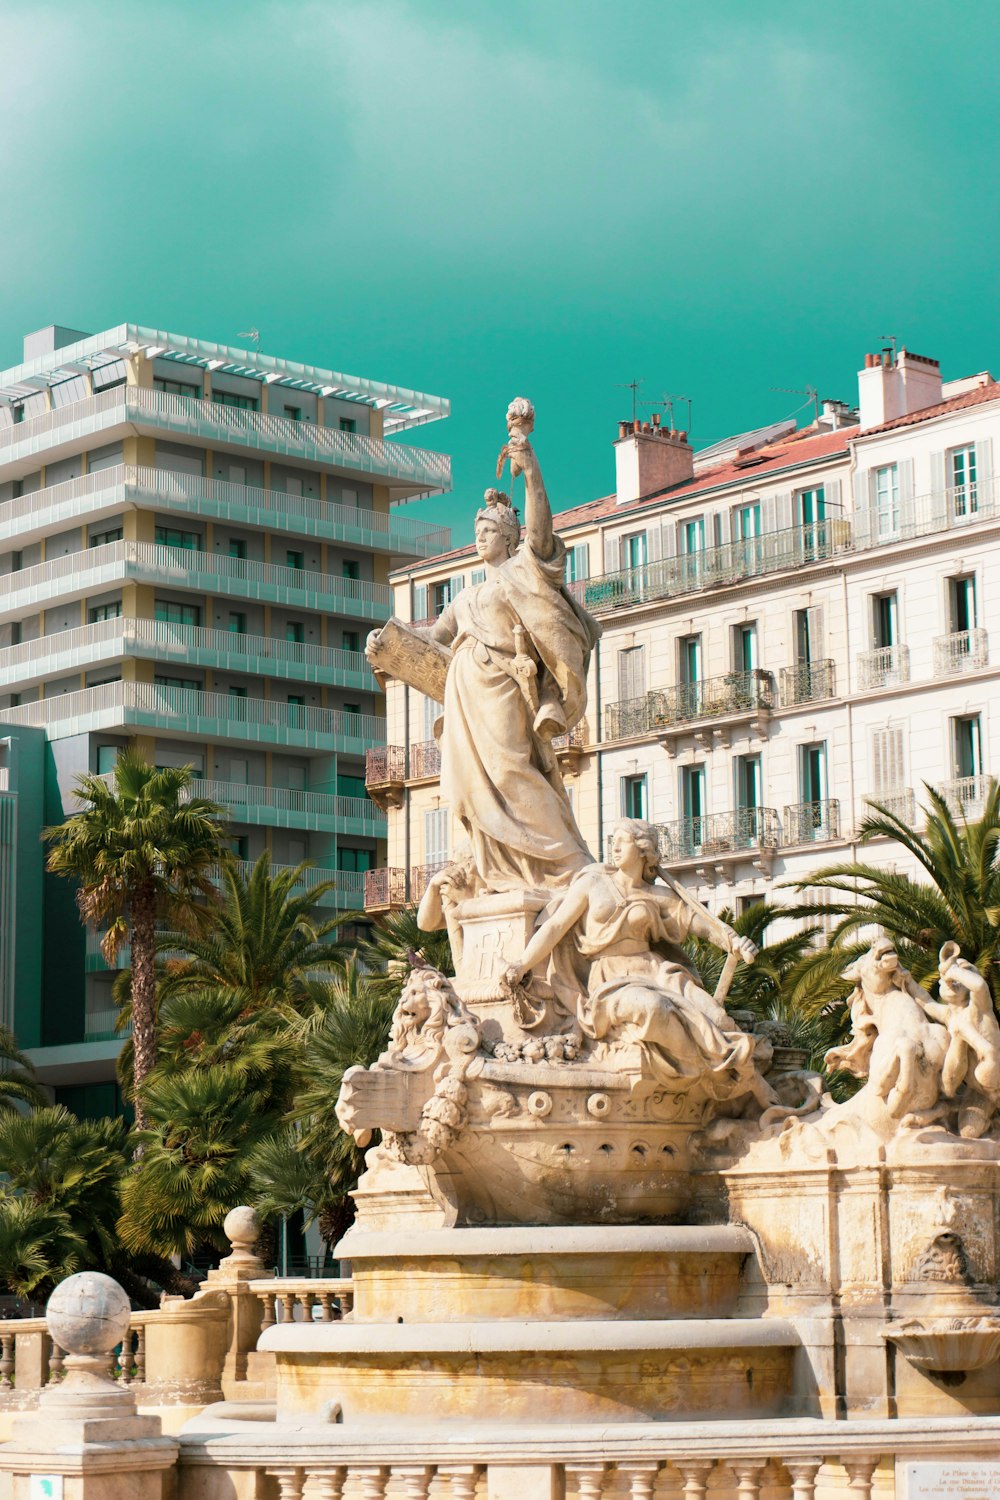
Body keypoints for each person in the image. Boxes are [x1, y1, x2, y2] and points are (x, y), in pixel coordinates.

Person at [370, 399, 600, 894]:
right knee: (472, 789)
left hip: (505, 689)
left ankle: (566, 858)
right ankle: (499, 870)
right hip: (464, 696)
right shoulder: (467, 596)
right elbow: (430, 642)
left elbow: (542, 522)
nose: (480, 537)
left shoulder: (527, 571)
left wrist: (530, 464)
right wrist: (387, 648)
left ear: (511, 536)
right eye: (476, 530)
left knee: (511, 771)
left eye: (490, 530)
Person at [503, 818, 775, 1107]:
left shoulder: (658, 896)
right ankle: (711, 1074)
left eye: (624, 841)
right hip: (611, 976)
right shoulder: (593, 882)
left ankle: (744, 1076)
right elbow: (556, 926)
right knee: (653, 1008)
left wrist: (732, 942)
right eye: (614, 841)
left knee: (717, 1018)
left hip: (656, 971)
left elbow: (699, 923)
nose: (615, 847)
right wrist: (523, 963)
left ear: (643, 849)